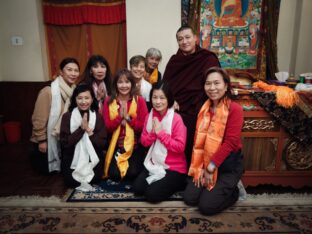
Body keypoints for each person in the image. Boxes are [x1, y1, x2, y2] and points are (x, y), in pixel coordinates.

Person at [183, 67, 244, 215]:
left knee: (206, 207)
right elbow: (200, 142)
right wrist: (203, 166)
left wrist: (211, 167)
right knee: (190, 198)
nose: (212, 88)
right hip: (205, 161)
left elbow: (230, 142)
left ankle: (234, 190)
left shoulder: (235, 109)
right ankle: (211, 186)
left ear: (226, 85)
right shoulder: (204, 108)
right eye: (208, 83)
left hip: (227, 164)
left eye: (217, 83)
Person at [163, 25, 220, 166]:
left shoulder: (207, 58)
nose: (184, 42)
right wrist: (171, 100)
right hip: (177, 108)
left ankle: (198, 168)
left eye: (187, 37)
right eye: (180, 39)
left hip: (201, 107)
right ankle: (178, 167)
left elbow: (217, 84)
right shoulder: (174, 61)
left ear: (195, 38)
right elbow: (165, 87)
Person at [132, 82, 187, 203]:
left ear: (169, 99)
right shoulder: (149, 116)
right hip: (155, 163)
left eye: (162, 98)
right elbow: (144, 142)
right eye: (154, 97)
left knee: (152, 195)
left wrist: (161, 133)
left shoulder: (176, 119)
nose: (157, 102)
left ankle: (179, 182)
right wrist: (153, 133)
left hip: (174, 167)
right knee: (137, 189)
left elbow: (180, 147)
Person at [30, 57, 80, 174]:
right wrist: (42, 140)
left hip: (61, 139)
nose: (73, 73)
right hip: (46, 140)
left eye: (76, 70)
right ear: (61, 72)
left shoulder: (75, 91)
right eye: (69, 70)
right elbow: (38, 119)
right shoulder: (48, 91)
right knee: (47, 173)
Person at [102, 68, 148, 182]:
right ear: (115, 84)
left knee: (132, 173)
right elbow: (107, 127)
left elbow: (144, 127)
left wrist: (128, 119)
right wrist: (119, 119)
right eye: (120, 82)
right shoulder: (109, 100)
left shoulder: (139, 100)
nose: (124, 86)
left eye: (127, 82)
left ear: (132, 84)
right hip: (116, 145)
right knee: (114, 174)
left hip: (134, 145)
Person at [60, 84, 107, 190]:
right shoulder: (67, 117)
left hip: (93, 156)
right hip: (72, 157)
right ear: (75, 100)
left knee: (95, 179)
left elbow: (102, 144)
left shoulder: (98, 117)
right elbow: (65, 144)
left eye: (87, 98)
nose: (83, 101)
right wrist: (81, 129)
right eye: (80, 98)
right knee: (71, 182)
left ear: (92, 99)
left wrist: (89, 132)